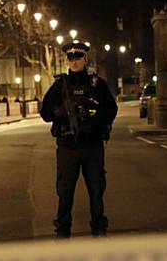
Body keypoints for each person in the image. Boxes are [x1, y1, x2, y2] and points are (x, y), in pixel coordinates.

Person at [40, 42, 118, 238]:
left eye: (78, 57)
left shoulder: (96, 85)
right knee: (65, 191)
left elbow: (110, 109)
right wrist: (59, 113)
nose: (74, 62)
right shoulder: (60, 85)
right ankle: (63, 227)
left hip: (92, 144)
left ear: (85, 59)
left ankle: (98, 225)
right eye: (70, 58)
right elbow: (45, 112)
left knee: (96, 189)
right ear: (67, 61)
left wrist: (93, 123)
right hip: (68, 146)